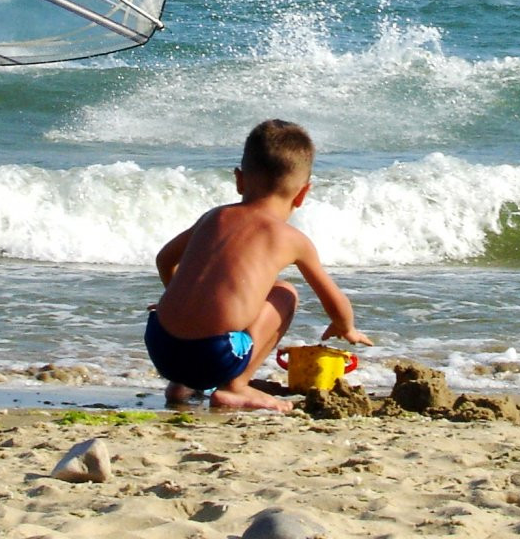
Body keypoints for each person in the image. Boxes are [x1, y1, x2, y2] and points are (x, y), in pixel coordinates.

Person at [147, 119, 368, 412]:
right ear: (302, 194)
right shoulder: (292, 239)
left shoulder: (213, 217)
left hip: (162, 345)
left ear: (239, 179)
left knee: (242, 295)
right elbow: (334, 301)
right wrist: (346, 327)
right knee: (285, 293)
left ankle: (181, 385)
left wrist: (185, 303)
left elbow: (164, 259)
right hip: (212, 356)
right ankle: (236, 387)